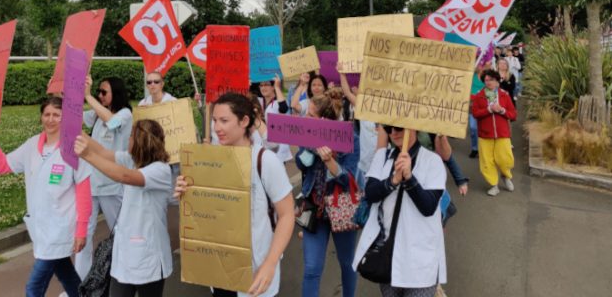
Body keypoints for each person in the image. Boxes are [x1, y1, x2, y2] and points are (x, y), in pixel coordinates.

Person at [175, 93, 295, 297]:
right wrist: (187, 194)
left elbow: (287, 215)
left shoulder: (265, 161)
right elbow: (206, 214)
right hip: (219, 272)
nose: (216, 128)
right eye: (214, 120)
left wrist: (270, 264)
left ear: (244, 121)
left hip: (255, 274)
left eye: (224, 120)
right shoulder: (209, 159)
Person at [0, 97, 91, 297]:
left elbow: (84, 194)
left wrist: (81, 229)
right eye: (46, 114)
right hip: (41, 229)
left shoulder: (74, 149)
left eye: (57, 115)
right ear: (41, 118)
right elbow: (3, 166)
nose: (50, 119)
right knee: (68, 277)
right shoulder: (32, 146)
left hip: (60, 229)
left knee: (34, 287)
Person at [74, 120, 173, 297]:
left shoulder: (161, 170)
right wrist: (76, 131)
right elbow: (103, 152)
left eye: (130, 137)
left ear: (142, 142)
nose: (127, 140)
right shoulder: (132, 160)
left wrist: (87, 155)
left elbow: (125, 176)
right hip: (124, 255)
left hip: (149, 256)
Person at [353, 126, 446, 297]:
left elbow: (428, 207)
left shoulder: (432, 161)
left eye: (399, 128)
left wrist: (410, 179)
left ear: (413, 128)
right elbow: (371, 193)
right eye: (388, 128)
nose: (393, 133)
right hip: (387, 257)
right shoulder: (383, 157)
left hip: (420, 262)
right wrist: (393, 180)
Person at [295, 94, 360, 297]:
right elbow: (300, 163)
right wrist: (310, 148)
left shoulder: (350, 138)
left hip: (342, 207)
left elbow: (349, 181)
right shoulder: (308, 135)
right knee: (312, 269)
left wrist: (331, 161)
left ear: (325, 119)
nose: (306, 118)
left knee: (347, 263)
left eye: (311, 114)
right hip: (315, 209)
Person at [76, 76, 133, 279]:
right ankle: (80, 284)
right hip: (91, 184)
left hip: (113, 185)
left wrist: (88, 96)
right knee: (83, 234)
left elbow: (113, 121)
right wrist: (60, 93)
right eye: (98, 91)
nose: (100, 96)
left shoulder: (125, 114)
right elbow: (73, 115)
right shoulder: (97, 114)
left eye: (103, 92)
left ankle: (124, 278)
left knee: (119, 233)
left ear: (115, 94)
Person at [472, 69, 517, 196]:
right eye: (486, 80)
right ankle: (494, 184)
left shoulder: (504, 95)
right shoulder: (479, 96)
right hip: (485, 134)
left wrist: (502, 110)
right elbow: (475, 113)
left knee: (505, 159)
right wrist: (489, 109)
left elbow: (513, 115)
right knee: (487, 162)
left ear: (497, 81)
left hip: (502, 133)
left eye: (491, 80)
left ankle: (506, 176)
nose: (488, 82)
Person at [257, 75, 292, 163]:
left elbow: (283, 108)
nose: (263, 87)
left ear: (273, 87)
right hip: (265, 148)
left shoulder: (277, 103)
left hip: (278, 150)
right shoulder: (260, 102)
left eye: (266, 85)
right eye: (261, 85)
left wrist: (277, 87)